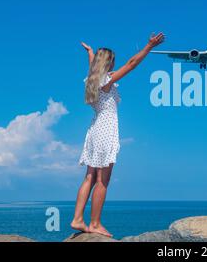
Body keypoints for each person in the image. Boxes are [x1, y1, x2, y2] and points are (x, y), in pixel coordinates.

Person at [70, 32, 165, 237]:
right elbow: (131, 64)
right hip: (105, 130)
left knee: (89, 177)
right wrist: (148, 46)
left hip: (94, 130)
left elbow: (92, 66)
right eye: (112, 62)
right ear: (107, 63)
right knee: (103, 180)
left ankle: (78, 218)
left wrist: (90, 53)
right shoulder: (107, 80)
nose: (115, 65)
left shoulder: (91, 80)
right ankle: (95, 223)